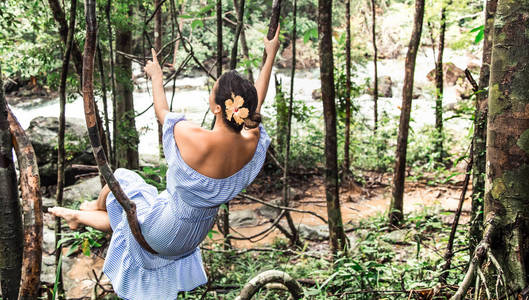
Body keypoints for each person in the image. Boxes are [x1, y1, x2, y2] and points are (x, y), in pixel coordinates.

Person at [48, 26, 280, 299]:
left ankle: (89, 206)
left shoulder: (195, 138)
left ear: (217, 107)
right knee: (130, 214)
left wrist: (156, 77)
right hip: (191, 239)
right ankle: (77, 217)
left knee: (122, 178)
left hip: (163, 232)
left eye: (213, 89)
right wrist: (270, 56)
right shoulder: (249, 145)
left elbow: (162, 111)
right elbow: (257, 105)